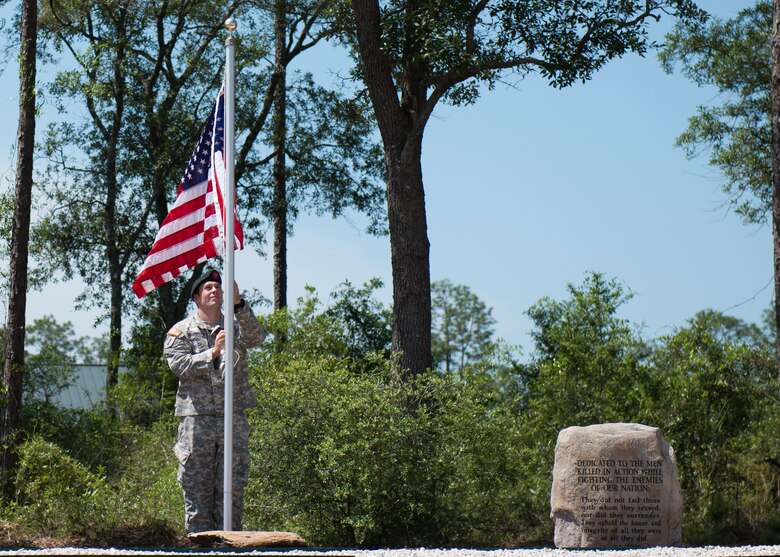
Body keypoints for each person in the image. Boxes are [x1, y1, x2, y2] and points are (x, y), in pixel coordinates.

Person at [164, 268, 265, 534]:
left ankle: (230, 543)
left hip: (232, 417)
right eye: (208, 288)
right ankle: (199, 544)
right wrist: (213, 352)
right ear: (196, 297)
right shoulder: (181, 331)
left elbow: (257, 338)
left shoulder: (235, 326)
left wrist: (238, 305)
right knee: (196, 486)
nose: (214, 291)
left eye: (218, 288)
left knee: (232, 485)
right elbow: (179, 365)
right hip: (197, 421)